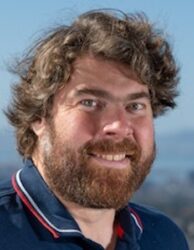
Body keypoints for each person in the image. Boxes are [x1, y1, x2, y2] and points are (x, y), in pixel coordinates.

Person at [0, 9, 189, 250]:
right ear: (39, 116)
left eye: (135, 106)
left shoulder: (165, 237)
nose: (119, 126)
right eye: (89, 103)